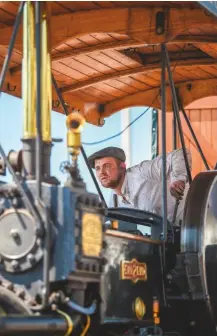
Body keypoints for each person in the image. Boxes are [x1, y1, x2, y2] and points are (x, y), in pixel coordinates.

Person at [87, 146, 192, 225]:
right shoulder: (113, 201)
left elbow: (180, 154)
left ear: (122, 167)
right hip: (163, 243)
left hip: (193, 225)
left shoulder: (142, 172)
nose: (101, 172)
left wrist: (178, 180)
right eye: (98, 168)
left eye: (107, 166)